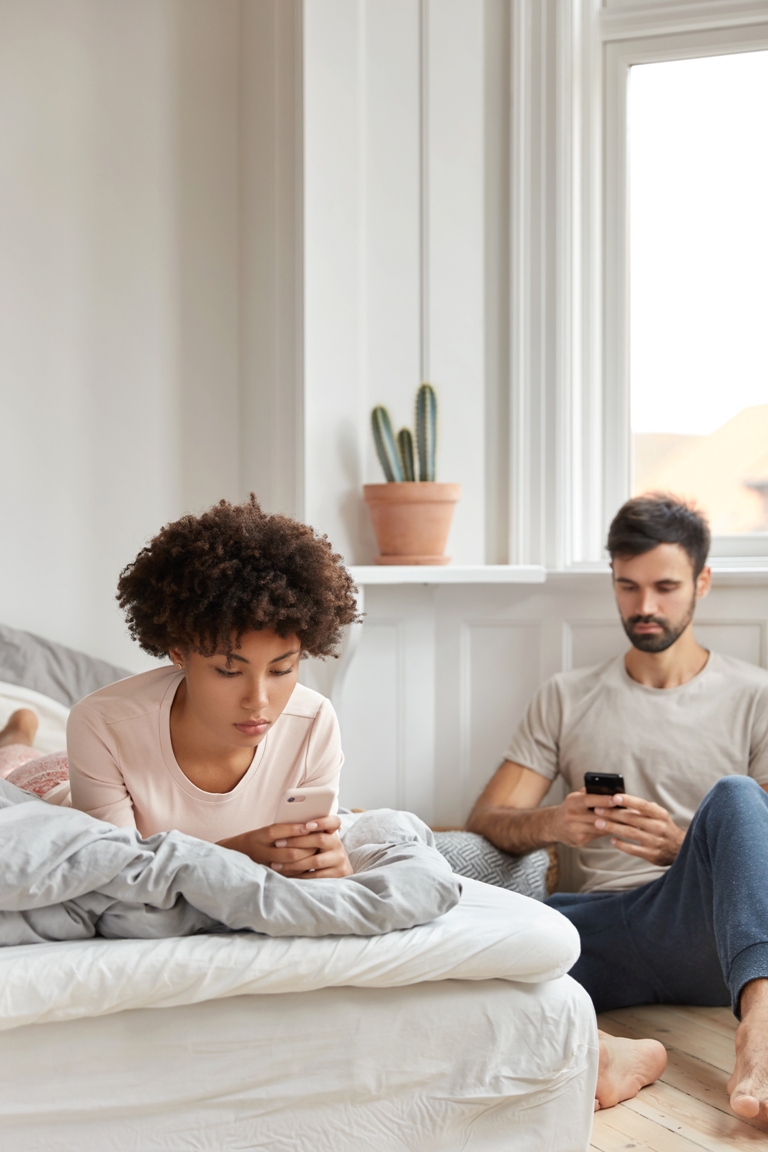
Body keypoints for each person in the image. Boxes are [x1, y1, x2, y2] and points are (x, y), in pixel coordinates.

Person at [467, 492, 768, 1124]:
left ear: (703, 582)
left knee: (738, 797)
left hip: (712, 930)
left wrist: (685, 845)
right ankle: (614, 1051)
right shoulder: (567, 696)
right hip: (609, 932)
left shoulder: (754, 695)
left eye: (665, 586)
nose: (645, 607)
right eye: (628, 587)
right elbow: (487, 820)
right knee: (476, 945)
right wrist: (554, 823)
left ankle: (761, 1030)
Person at [65, 495, 360, 878]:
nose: (258, 702)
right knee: (16, 761)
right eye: (227, 671)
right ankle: (20, 728)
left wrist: (334, 867)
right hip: (56, 784)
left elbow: (312, 870)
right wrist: (233, 855)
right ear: (177, 651)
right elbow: (117, 881)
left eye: (282, 669)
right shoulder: (101, 724)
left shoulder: (314, 722)